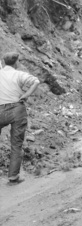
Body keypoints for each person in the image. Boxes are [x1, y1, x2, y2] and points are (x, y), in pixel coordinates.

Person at [0, 52, 40, 183]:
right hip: (17, 109)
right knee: (16, 144)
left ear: (4, 62)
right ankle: (13, 176)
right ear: (16, 62)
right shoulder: (19, 74)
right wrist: (26, 94)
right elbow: (36, 81)